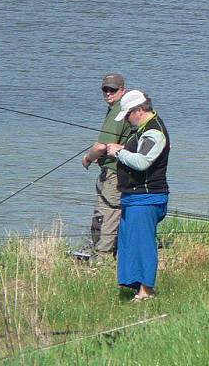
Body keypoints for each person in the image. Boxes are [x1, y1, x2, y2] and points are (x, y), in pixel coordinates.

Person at [104, 90, 169, 301]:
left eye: (128, 115)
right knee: (129, 243)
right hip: (134, 198)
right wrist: (123, 148)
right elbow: (140, 152)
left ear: (139, 111)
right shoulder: (142, 130)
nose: (126, 120)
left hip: (147, 198)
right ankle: (136, 287)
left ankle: (146, 293)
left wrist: (118, 152)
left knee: (142, 244)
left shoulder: (154, 132)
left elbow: (142, 162)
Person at [81, 73, 132, 259]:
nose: (108, 93)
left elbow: (101, 146)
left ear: (122, 90)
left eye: (113, 90)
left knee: (107, 212)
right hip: (122, 169)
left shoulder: (119, 112)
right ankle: (113, 251)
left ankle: (103, 256)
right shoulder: (124, 108)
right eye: (105, 89)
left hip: (113, 172)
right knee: (115, 211)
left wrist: (87, 158)